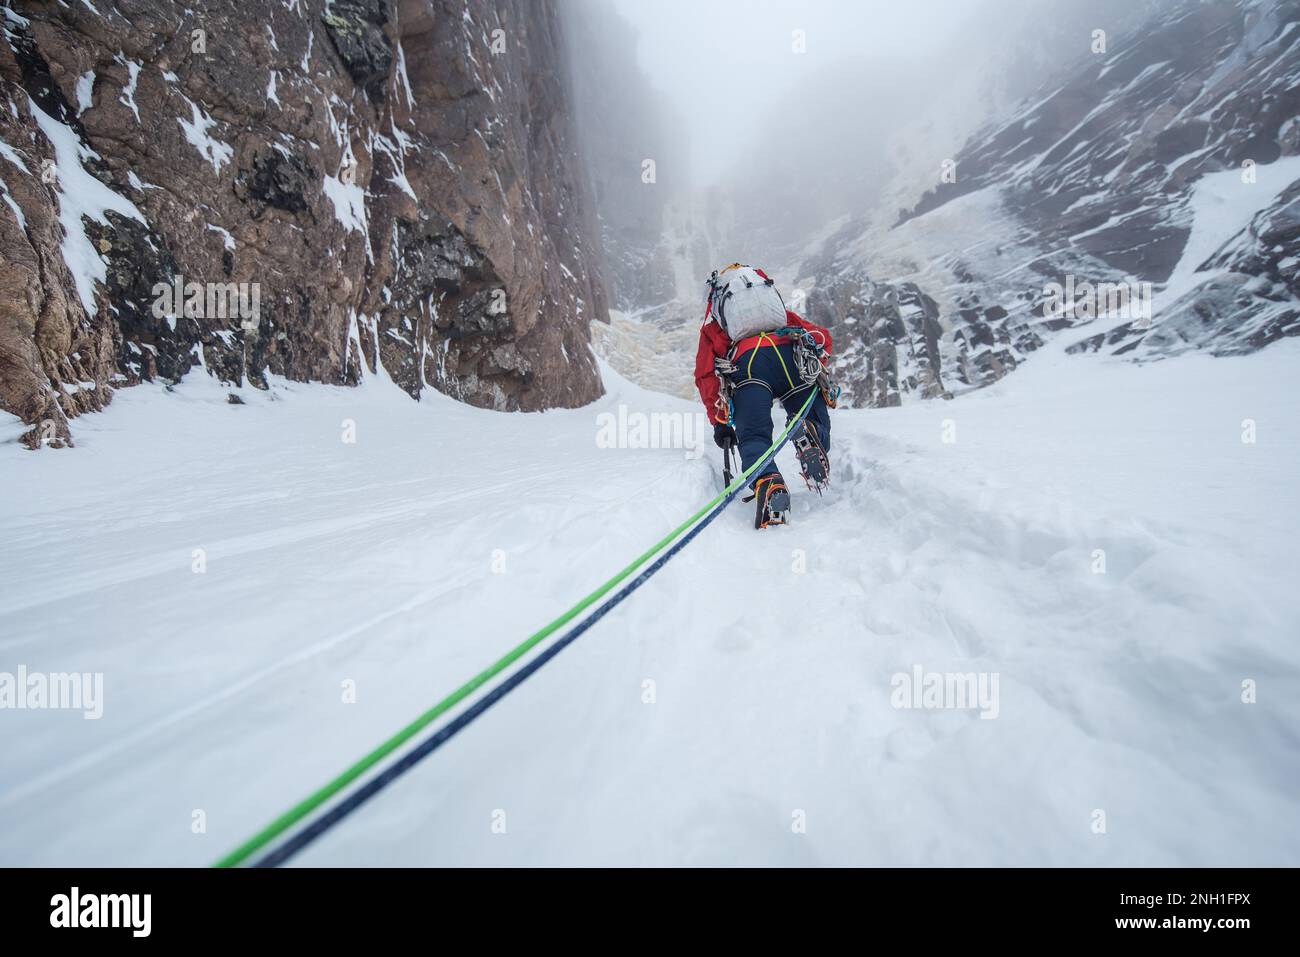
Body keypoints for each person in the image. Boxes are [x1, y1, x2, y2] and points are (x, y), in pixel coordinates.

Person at [694, 263, 834, 529]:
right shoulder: (779, 314)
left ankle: (770, 484)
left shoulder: (714, 328)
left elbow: (706, 375)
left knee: (755, 436)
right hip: (791, 360)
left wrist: (720, 423)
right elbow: (822, 338)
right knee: (812, 417)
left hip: (749, 366)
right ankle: (811, 430)